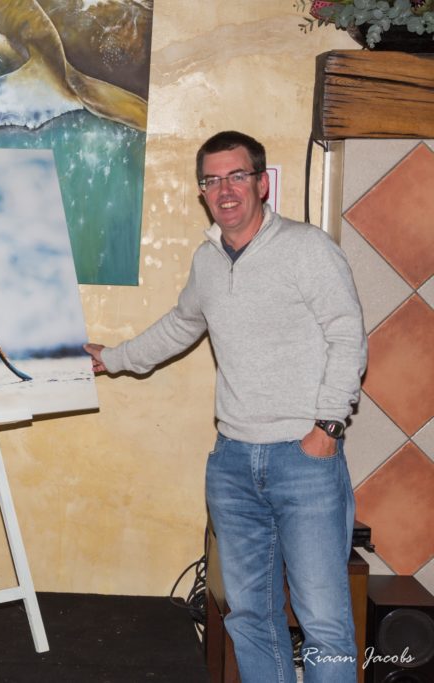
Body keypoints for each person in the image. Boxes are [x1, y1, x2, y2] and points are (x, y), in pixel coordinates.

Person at [85, 131, 366, 682]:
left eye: (237, 176)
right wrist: (112, 357)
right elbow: (182, 324)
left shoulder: (307, 248)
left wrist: (328, 426)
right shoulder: (208, 260)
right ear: (203, 193)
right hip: (234, 464)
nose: (226, 189)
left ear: (262, 183)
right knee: (249, 618)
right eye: (212, 180)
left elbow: (348, 332)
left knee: (325, 622)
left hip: (304, 461)